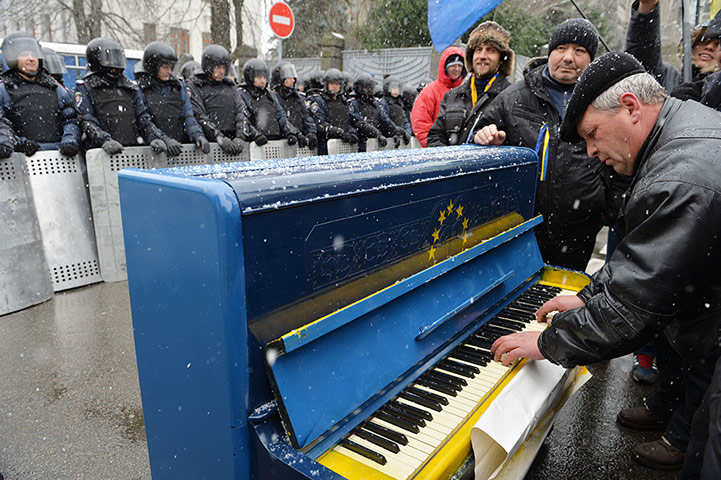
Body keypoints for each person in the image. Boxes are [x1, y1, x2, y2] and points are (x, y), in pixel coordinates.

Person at [491, 52, 721, 474]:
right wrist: (587, 298)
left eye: (593, 134)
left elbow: (637, 305)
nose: (592, 151)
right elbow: (642, 257)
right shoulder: (681, 132)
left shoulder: (680, 176)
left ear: (631, 108)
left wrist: (547, 343)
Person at [473, 18, 608, 272]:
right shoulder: (515, 96)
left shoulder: (602, 101)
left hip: (579, 231)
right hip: (523, 227)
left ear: (591, 59)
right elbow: (476, 135)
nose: (568, 58)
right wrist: (484, 136)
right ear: (550, 53)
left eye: (579, 51)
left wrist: (604, 206)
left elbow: (620, 157)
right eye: (561, 48)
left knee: (565, 299)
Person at [75, 37, 167, 156]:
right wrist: (105, 140)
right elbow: (87, 121)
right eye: (109, 60)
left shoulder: (130, 87)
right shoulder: (86, 87)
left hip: (131, 151)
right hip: (102, 154)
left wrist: (153, 137)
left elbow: (143, 117)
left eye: (117, 58)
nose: (115, 64)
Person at [427, 21, 513, 147]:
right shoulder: (452, 96)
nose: (482, 56)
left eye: (491, 50)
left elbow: (518, 144)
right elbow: (435, 137)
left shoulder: (512, 97)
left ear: (501, 59)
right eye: (478, 50)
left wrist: (497, 143)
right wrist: (450, 163)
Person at [0, 32, 80, 157]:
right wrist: (19, 143)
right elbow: (2, 125)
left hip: (59, 158)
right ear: (13, 58)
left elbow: (71, 119)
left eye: (34, 54)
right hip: (21, 161)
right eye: (25, 55)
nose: (31, 59)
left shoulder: (55, 87)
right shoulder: (3, 89)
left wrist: (70, 141)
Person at [625, 0, 721, 99]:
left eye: (718, 44)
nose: (709, 47)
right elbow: (642, 53)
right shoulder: (669, 78)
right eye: (703, 40)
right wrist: (647, 6)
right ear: (692, 46)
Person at [135, 42, 209, 156]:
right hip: (156, 151)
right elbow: (145, 121)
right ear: (153, 66)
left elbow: (188, 115)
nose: (170, 72)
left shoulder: (179, 86)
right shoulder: (141, 89)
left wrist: (198, 135)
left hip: (180, 147)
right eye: (165, 67)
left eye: (171, 67)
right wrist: (164, 139)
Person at [186, 45, 256, 156]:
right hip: (209, 148)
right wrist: (218, 137)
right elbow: (199, 115)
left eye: (224, 68)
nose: (222, 71)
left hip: (234, 143)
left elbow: (241, 111)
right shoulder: (196, 86)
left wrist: (240, 137)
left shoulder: (230, 86)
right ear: (209, 67)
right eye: (218, 67)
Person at [307, 68, 376, 155]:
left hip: (344, 144)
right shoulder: (319, 100)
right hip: (326, 145)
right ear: (326, 84)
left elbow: (350, 121)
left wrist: (352, 133)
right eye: (332, 83)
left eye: (337, 84)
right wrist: (339, 133)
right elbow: (319, 124)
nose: (335, 86)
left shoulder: (344, 101)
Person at [410, 46, 464, 147]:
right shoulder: (430, 91)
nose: (457, 69)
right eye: (453, 66)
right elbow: (420, 122)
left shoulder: (466, 91)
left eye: (459, 66)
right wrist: (435, 147)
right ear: (445, 67)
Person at [238, 59, 299, 148]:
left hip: (274, 141)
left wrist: (290, 132)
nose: (263, 81)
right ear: (250, 77)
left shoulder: (270, 94)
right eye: (259, 77)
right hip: (255, 145)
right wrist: (256, 135)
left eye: (264, 77)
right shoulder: (243, 94)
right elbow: (243, 119)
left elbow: (281, 115)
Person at [270, 61, 318, 150]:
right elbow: (280, 118)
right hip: (282, 143)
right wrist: (291, 133)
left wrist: (312, 132)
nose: (293, 80)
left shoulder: (299, 97)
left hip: (300, 141)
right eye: (289, 77)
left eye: (293, 77)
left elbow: (307, 116)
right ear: (280, 78)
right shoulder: (273, 97)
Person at [353, 73, 403, 151]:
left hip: (374, 144)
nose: (368, 90)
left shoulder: (375, 104)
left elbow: (385, 120)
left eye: (370, 87)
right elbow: (359, 123)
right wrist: (377, 134)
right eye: (366, 88)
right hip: (359, 144)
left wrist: (396, 132)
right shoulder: (354, 103)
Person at [380, 76, 412, 144]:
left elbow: (405, 120)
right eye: (393, 88)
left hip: (401, 136)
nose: (396, 90)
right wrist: (396, 131)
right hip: (389, 137)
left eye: (398, 88)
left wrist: (407, 132)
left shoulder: (399, 103)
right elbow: (386, 120)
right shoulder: (384, 103)